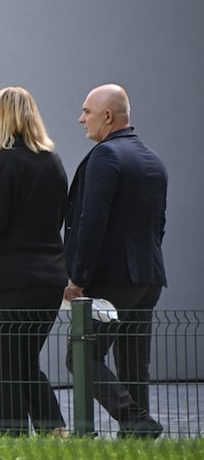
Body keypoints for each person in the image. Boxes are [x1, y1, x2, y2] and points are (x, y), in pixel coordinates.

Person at [0, 87, 68, 436]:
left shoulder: (2, 164)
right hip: (49, 278)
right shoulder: (52, 161)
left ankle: (12, 434)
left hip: (8, 280)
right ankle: (53, 430)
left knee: (0, 362)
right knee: (23, 360)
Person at [63, 84, 167, 439]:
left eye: (86, 112)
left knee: (81, 358)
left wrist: (78, 277)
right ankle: (136, 436)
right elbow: (159, 223)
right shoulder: (152, 158)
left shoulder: (106, 157)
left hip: (110, 281)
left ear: (107, 116)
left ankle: (137, 422)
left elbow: (91, 222)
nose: (81, 119)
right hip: (148, 277)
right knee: (134, 363)